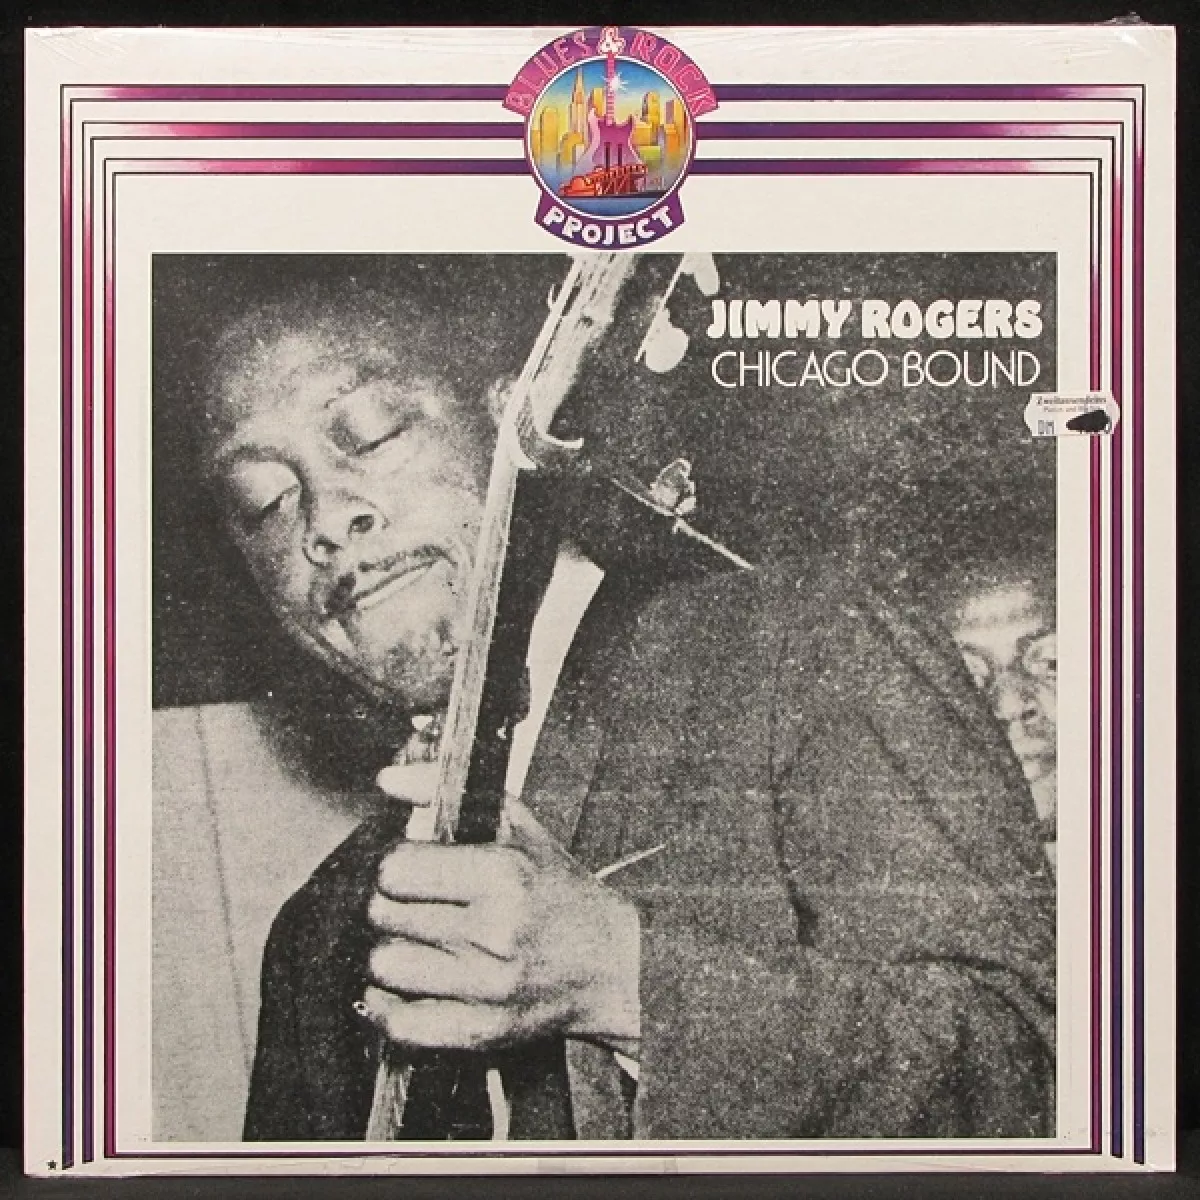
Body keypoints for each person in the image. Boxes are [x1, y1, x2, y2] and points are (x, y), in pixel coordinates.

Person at [185, 265, 1055, 1142]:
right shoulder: (317, 933)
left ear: (509, 416)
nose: (323, 520)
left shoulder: (807, 641)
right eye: (263, 501)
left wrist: (620, 978)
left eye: (370, 434)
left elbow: (1023, 1063)